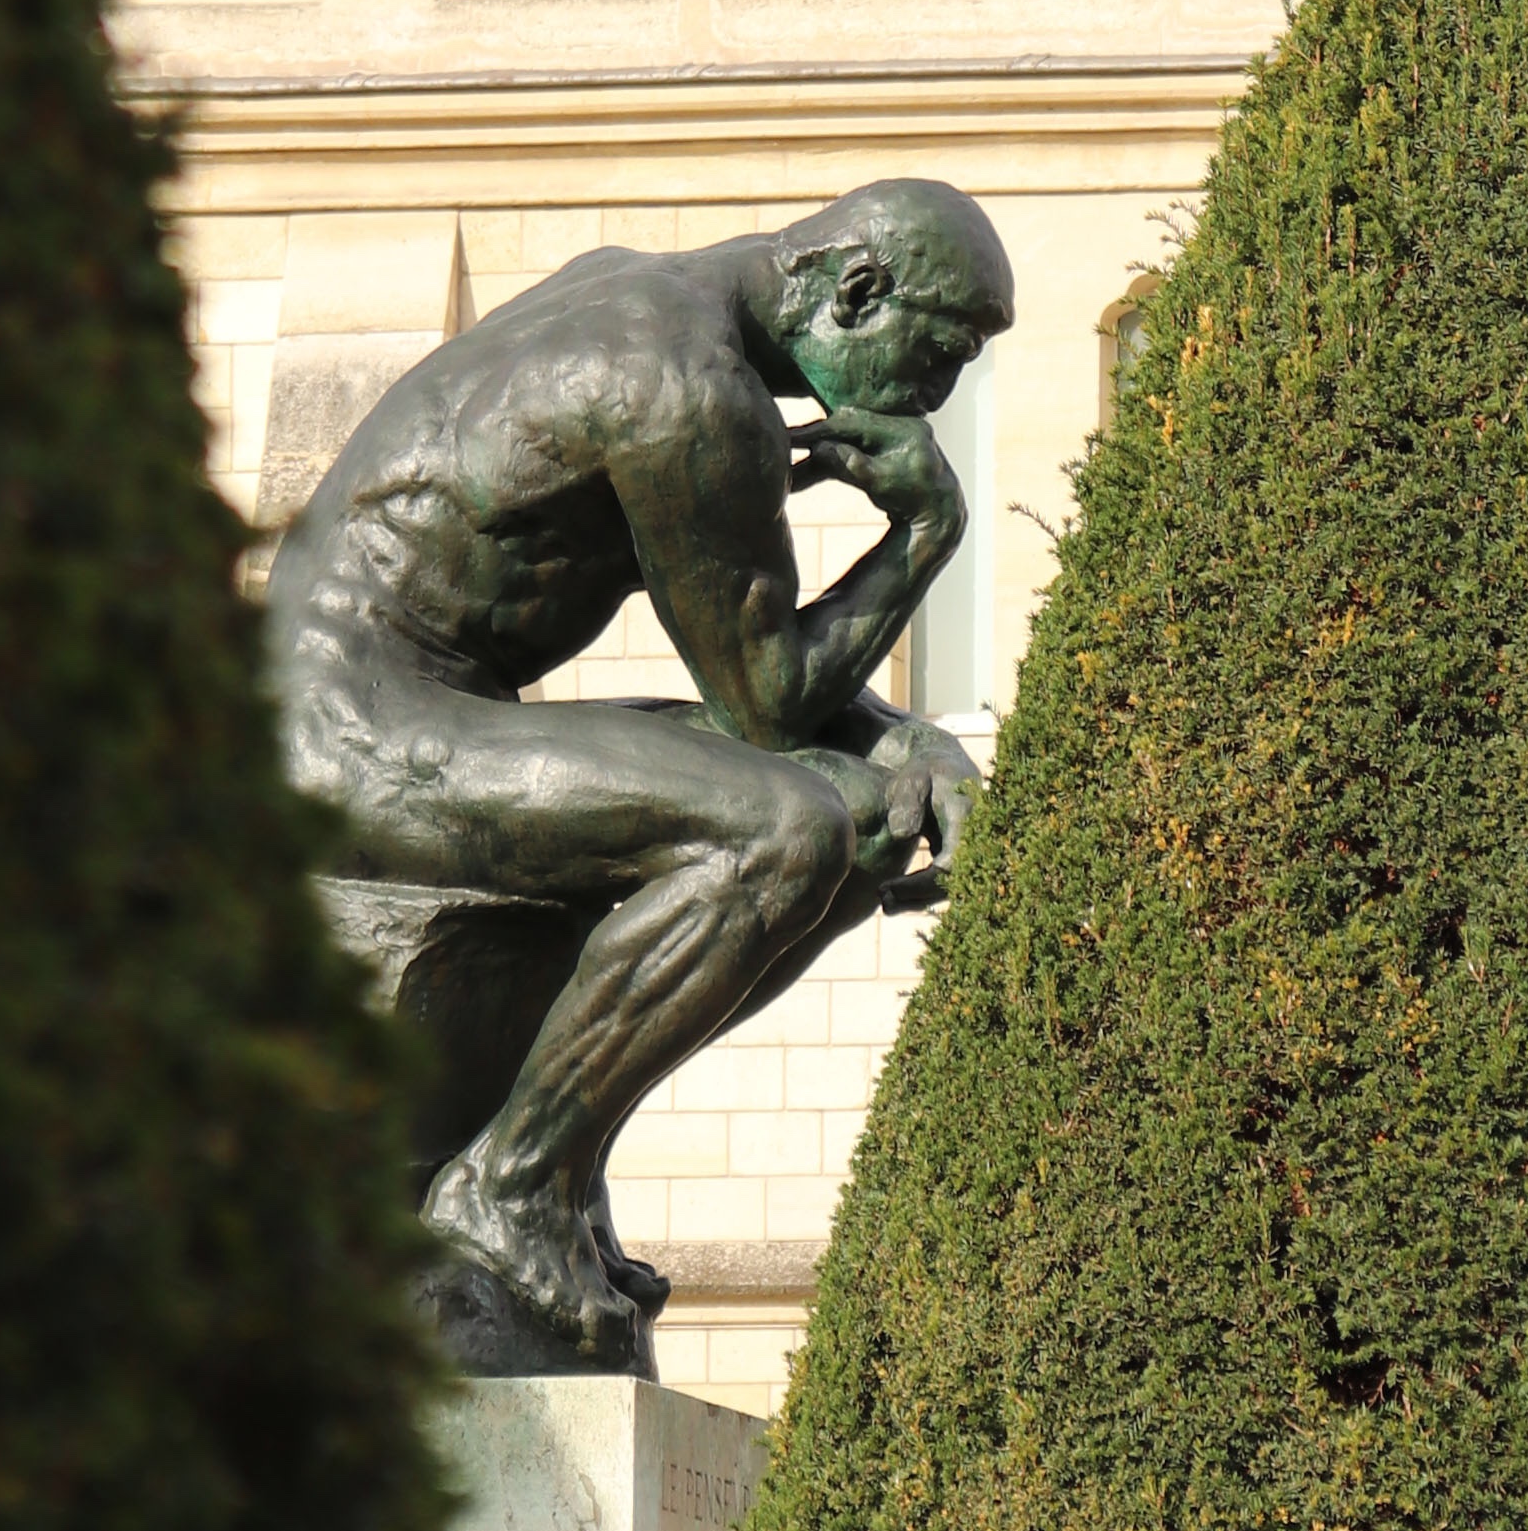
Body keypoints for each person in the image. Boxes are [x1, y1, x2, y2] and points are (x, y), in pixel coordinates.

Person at [265, 179, 1017, 1369]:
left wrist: (902, 742)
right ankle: (511, 1186)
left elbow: (753, 672)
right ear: (856, 291)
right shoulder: (685, 388)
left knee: (868, 818)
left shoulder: (649, 296)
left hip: (423, 708)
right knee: (780, 832)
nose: (936, 397)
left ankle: (556, 1160)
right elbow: (765, 703)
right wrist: (923, 539)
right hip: (338, 729)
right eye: (939, 355)